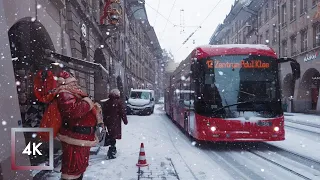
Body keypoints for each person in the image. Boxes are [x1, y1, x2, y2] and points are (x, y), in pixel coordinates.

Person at [54, 71, 99, 180]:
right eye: (73, 82)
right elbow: (72, 111)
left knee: (78, 166)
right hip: (75, 137)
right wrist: (87, 103)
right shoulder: (65, 93)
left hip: (80, 137)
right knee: (73, 168)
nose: (76, 84)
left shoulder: (72, 92)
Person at [102, 89, 128, 159]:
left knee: (111, 135)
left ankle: (112, 148)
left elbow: (104, 113)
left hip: (108, 122)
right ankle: (112, 151)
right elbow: (122, 112)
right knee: (113, 135)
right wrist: (125, 121)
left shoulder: (107, 102)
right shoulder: (119, 102)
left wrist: (104, 122)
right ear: (117, 95)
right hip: (115, 122)